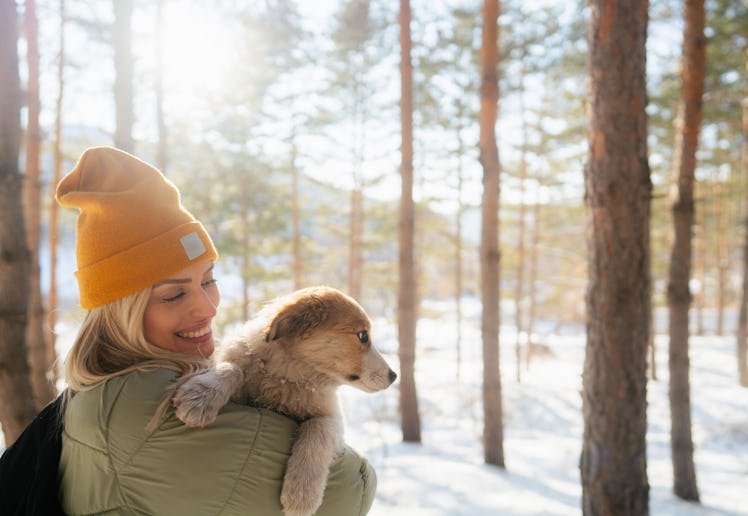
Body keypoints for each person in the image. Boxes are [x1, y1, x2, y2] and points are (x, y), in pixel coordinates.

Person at [55, 146, 376, 515]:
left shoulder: (99, 391)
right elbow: (350, 487)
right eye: (174, 294)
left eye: (209, 280)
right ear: (119, 312)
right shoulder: (154, 413)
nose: (208, 308)